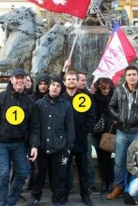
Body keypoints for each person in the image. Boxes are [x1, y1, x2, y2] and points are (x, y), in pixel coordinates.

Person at [0, 69, 40, 206]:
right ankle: (2, 203)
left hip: (19, 144)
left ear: (26, 81)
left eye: (22, 78)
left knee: (22, 173)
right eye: (17, 78)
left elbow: (34, 126)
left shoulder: (29, 102)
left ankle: (11, 201)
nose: (20, 80)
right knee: (3, 175)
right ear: (11, 80)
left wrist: (34, 146)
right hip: (0, 143)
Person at [107, 65, 138, 200]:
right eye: (129, 75)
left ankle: (135, 188)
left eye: (134, 74)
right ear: (125, 76)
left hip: (137, 132)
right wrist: (118, 117)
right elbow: (111, 106)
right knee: (119, 162)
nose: (131, 77)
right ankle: (118, 188)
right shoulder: (119, 90)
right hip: (122, 132)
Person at [28, 77, 74, 206]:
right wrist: (34, 145)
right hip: (42, 147)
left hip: (59, 147)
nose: (55, 88)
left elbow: (70, 128)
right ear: (49, 87)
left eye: (58, 86)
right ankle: (36, 196)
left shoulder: (66, 106)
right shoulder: (39, 104)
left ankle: (57, 198)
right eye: (53, 85)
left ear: (61, 89)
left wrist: (69, 147)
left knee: (59, 176)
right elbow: (35, 127)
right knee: (39, 174)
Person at [61, 71, 96, 206]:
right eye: (68, 79)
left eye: (74, 79)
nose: (71, 81)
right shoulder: (61, 98)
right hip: (64, 141)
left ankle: (85, 196)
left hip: (80, 139)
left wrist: (84, 130)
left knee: (83, 170)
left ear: (77, 81)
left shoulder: (85, 97)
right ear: (64, 82)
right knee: (64, 170)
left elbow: (92, 116)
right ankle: (63, 195)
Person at [91, 78, 115, 193]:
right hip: (96, 133)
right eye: (103, 88)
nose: (106, 91)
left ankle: (109, 182)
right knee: (101, 159)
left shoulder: (113, 99)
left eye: (108, 88)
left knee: (107, 158)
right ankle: (105, 182)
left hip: (108, 133)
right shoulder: (94, 98)